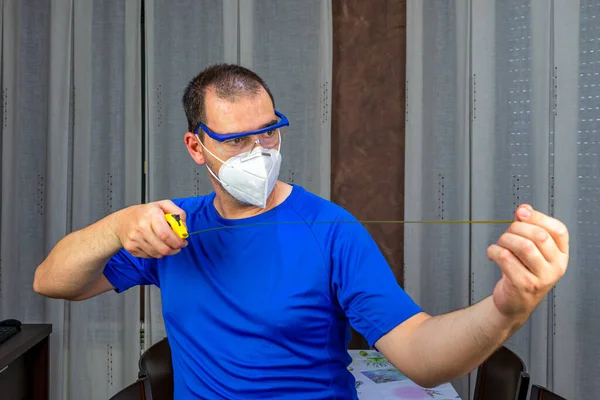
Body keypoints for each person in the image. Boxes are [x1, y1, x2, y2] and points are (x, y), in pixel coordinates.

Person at [33, 64, 569, 399]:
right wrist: (119, 223)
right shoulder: (170, 229)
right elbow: (53, 281)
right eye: (238, 141)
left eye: (268, 133)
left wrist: (507, 307)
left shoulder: (332, 230)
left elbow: (421, 357)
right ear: (197, 148)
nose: (259, 153)